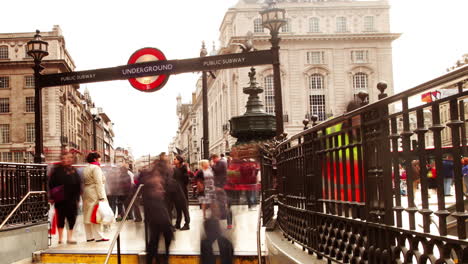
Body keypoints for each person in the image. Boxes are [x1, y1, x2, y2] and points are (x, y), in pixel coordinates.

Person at [141, 160, 174, 264]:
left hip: (154, 211)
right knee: (163, 235)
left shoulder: (153, 177)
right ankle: (162, 258)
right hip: (157, 210)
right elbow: (154, 193)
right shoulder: (154, 179)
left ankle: (156, 259)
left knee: (155, 238)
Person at [48, 151, 82, 244]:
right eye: (66, 158)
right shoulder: (56, 170)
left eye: (70, 158)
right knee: (61, 217)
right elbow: (51, 183)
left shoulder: (74, 170)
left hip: (72, 198)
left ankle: (70, 237)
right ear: (62, 159)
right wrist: (51, 197)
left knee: (72, 217)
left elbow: (79, 183)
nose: (69, 159)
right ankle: (60, 238)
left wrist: (78, 197)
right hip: (60, 198)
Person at [82, 152, 109, 242]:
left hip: (87, 192)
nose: (100, 160)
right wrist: (101, 196)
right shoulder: (96, 168)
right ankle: (99, 236)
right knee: (96, 214)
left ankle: (89, 236)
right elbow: (99, 183)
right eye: (99, 158)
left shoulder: (86, 168)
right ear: (95, 159)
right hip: (95, 192)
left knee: (87, 214)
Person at [210, 154, 232, 228]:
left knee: (224, 203)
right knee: (221, 202)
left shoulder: (221, 163)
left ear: (216, 158)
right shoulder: (220, 162)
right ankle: (224, 216)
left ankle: (229, 222)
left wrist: (221, 186)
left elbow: (222, 173)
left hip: (222, 185)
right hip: (219, 185)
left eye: (213, 159)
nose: (212, 161)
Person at [172, 155, 190, 230]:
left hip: (182, 190)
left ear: (179, 160)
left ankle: (187, 224)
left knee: (184, 208)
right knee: (178, 208)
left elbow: (186, 180)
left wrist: (181, 186)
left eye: (175, 159)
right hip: (176, 190)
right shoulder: (175, 168)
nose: (174, 160)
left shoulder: (183, 168)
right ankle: (178, 223)